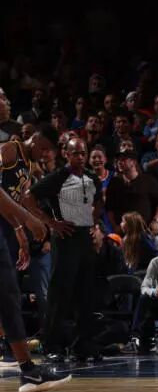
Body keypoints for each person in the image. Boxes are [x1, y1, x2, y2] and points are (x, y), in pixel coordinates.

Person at [0, 89, 72, 392]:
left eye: (48, 153)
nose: (44, 154)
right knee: (8, 295)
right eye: (43, 148)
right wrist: (28, 220)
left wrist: (19, 230)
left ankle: (28, 371)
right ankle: (28, 371)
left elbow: (8, 200)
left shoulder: (28, 169)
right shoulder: (10, 149)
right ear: (34, 138)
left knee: (8, 297)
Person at [23, 138, 103, 363]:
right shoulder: (58, 177)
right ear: (66, 154)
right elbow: (28, 198)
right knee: (60, 294)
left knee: (85, 294)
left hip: (85, 238)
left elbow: (99, 201)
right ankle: (52, 346)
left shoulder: (92, 177)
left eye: (83, 153)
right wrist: (51, 223)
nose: (81, 157)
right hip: (65, 238)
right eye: (75, 153)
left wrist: (95, 224)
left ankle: (82, 345)